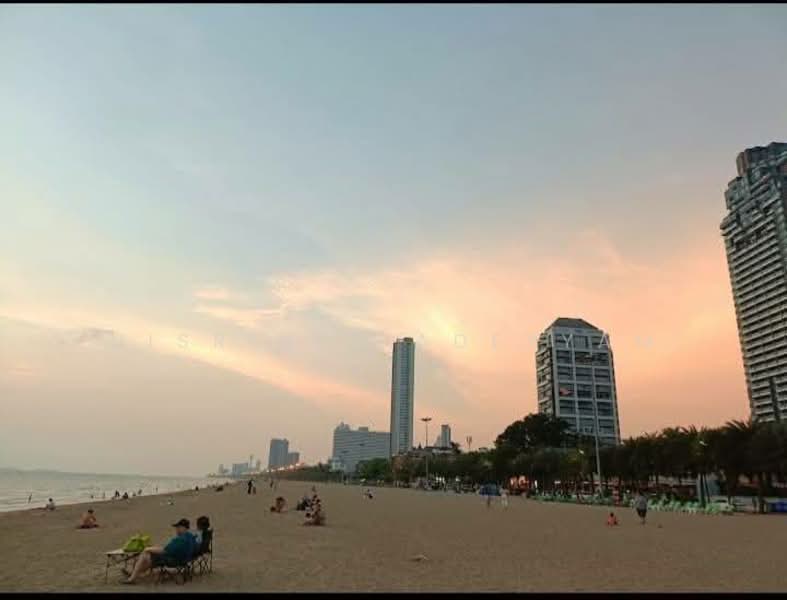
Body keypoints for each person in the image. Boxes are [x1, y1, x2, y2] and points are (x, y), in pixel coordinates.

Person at [121, 518, 195, 584]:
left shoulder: (181, 540)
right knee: (148, 555)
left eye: (177, 527)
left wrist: (149, 549)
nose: (176, 529)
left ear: (183, 528)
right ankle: (134, 574)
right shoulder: (190, 536)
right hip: (184, 559)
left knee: (146, 554)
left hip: (174, 560)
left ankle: (132, 578)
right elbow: (169, 549)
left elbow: (165, 551)